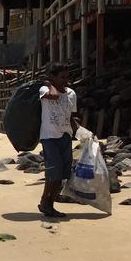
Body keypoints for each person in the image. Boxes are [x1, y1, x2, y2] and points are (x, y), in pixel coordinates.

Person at [38, 64, 80, 219]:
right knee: (53, 173)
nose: (65, 80)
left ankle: (49, 203)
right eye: (61, 77)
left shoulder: (71, 94)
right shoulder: (45, 90)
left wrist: (82, 133)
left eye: (67, 77)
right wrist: (49, 83)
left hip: (65, 136)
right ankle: (45, 202)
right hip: (49, 137)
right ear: (52, 77)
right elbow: (54, 96)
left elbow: (70, 116)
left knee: (63, 173)